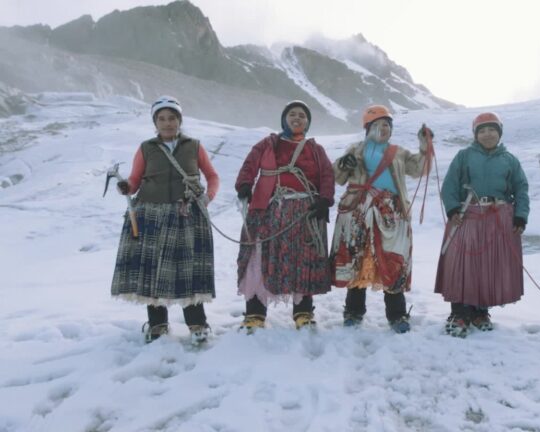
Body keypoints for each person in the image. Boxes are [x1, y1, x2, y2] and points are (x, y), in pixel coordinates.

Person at [111, 95, 219, 344]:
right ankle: (158, 324)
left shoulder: (194, 146)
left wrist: (207, 198)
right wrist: (126, 186)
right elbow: (135, 180)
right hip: (151, 215)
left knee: (188, 270)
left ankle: (197, 324)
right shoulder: (146, 148)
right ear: (155, 122)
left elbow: (213, 176)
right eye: (162, 119)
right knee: (153, 270)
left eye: (172, 118)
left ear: (180, 120)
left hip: (187, 215)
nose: (167, 123)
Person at [235, 100, 334, 331]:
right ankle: (255, 315)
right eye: (292, 114)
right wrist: (244, 185)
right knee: (259, 259)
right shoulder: (267, 144)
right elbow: (250, 165)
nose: (297, 118)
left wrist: (325, 200)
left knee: (304, 261)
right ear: (284, 119)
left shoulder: (316, 150)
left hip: (305, 213)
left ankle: (303, 312)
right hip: (268, 210)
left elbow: (327, 175)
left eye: (302, 115)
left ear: (307, 122)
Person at [330, 105, 429, 334]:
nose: (383, 129)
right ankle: (353, 312)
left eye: (387, 125)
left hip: (390, 213)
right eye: (378, 125)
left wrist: (425, 147)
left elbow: (418, 169)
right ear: (367, 129)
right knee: (358, 257)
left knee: (392, 260)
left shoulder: (399, 152)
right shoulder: (354, 150)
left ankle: (397, 315)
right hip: (358, 210)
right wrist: (343, 164)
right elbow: (338, 177)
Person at [434, 112, 529, 338]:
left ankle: (480, 312)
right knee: (463, 265)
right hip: (468, 215)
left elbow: (521, 189)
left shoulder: (510, 160)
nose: (488, 134)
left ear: (499, 133)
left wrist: (520, 216)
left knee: (488, 266)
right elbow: (449, 185)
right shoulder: (464, 156)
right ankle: (459, 313)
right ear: (476, 134)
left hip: (498, 218)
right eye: (482, 130)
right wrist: (452, 208)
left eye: (492, 130)